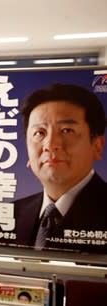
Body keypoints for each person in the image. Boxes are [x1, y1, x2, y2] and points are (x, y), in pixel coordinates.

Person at [13, 83, 107, 252]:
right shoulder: (7, 216)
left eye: (67, 130)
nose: (50, 144)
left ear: (97, 146)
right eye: (39, 133)